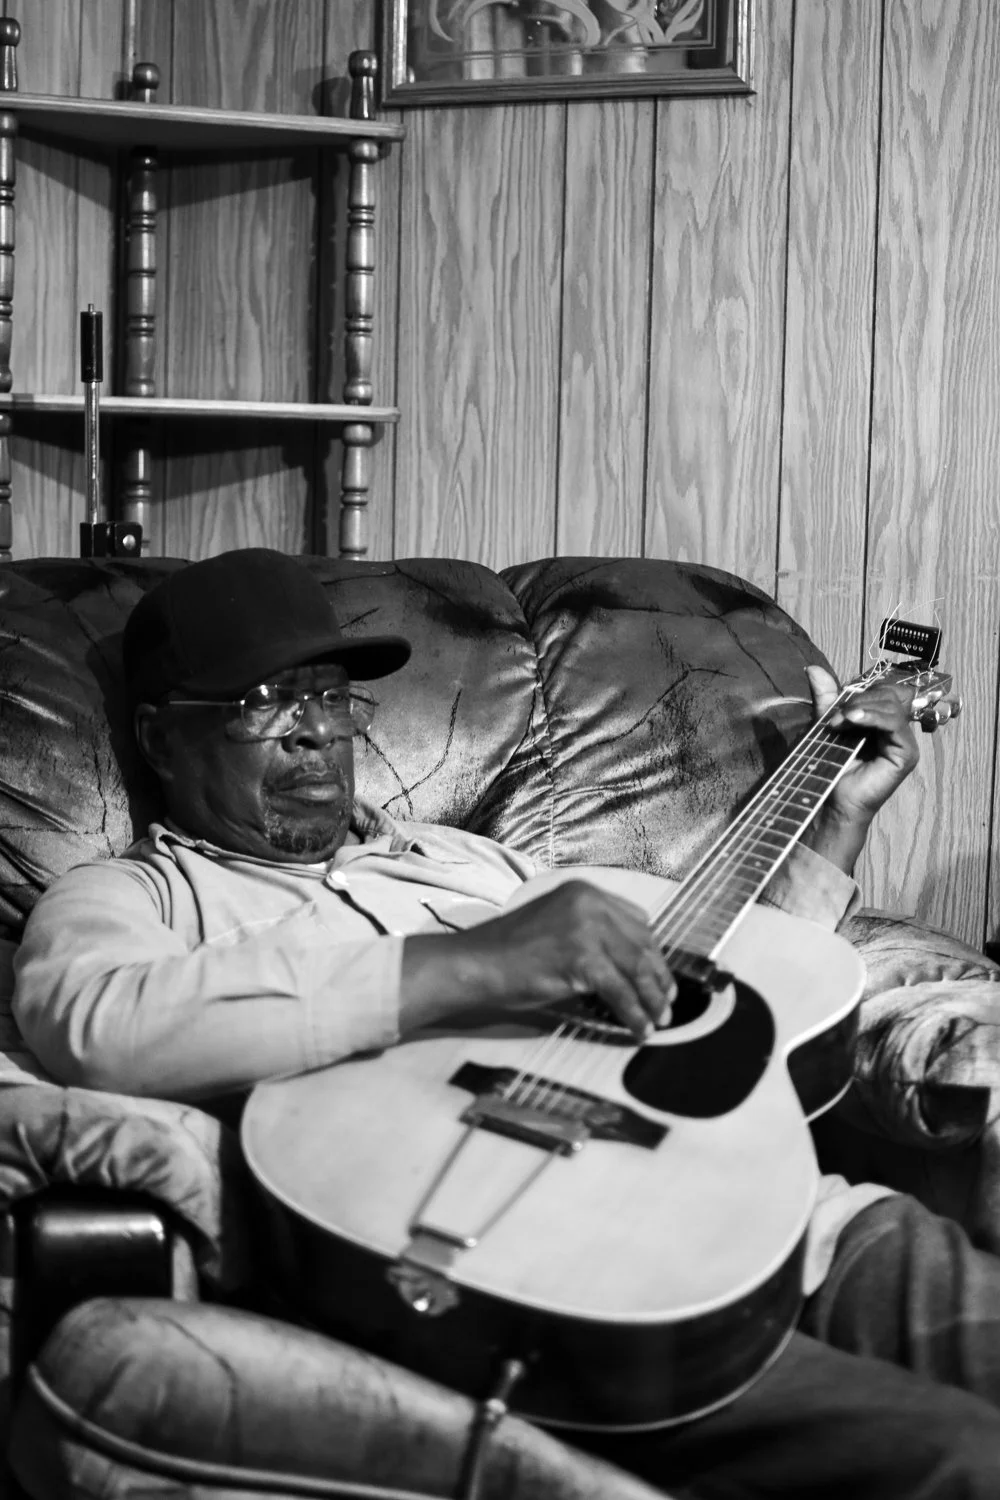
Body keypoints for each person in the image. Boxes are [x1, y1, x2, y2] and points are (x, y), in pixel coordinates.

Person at [11, 547, 1000, 1498]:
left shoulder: (479, 864)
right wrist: (473, 962)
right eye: (261, 703)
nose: (314, 730)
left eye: (329, 696)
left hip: (801, 1218)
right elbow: (96, 1025)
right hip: (572, 1274)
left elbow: (719, 987)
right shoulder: (131, 895)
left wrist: (837, 812)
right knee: (965, 1459)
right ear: (156, 740)